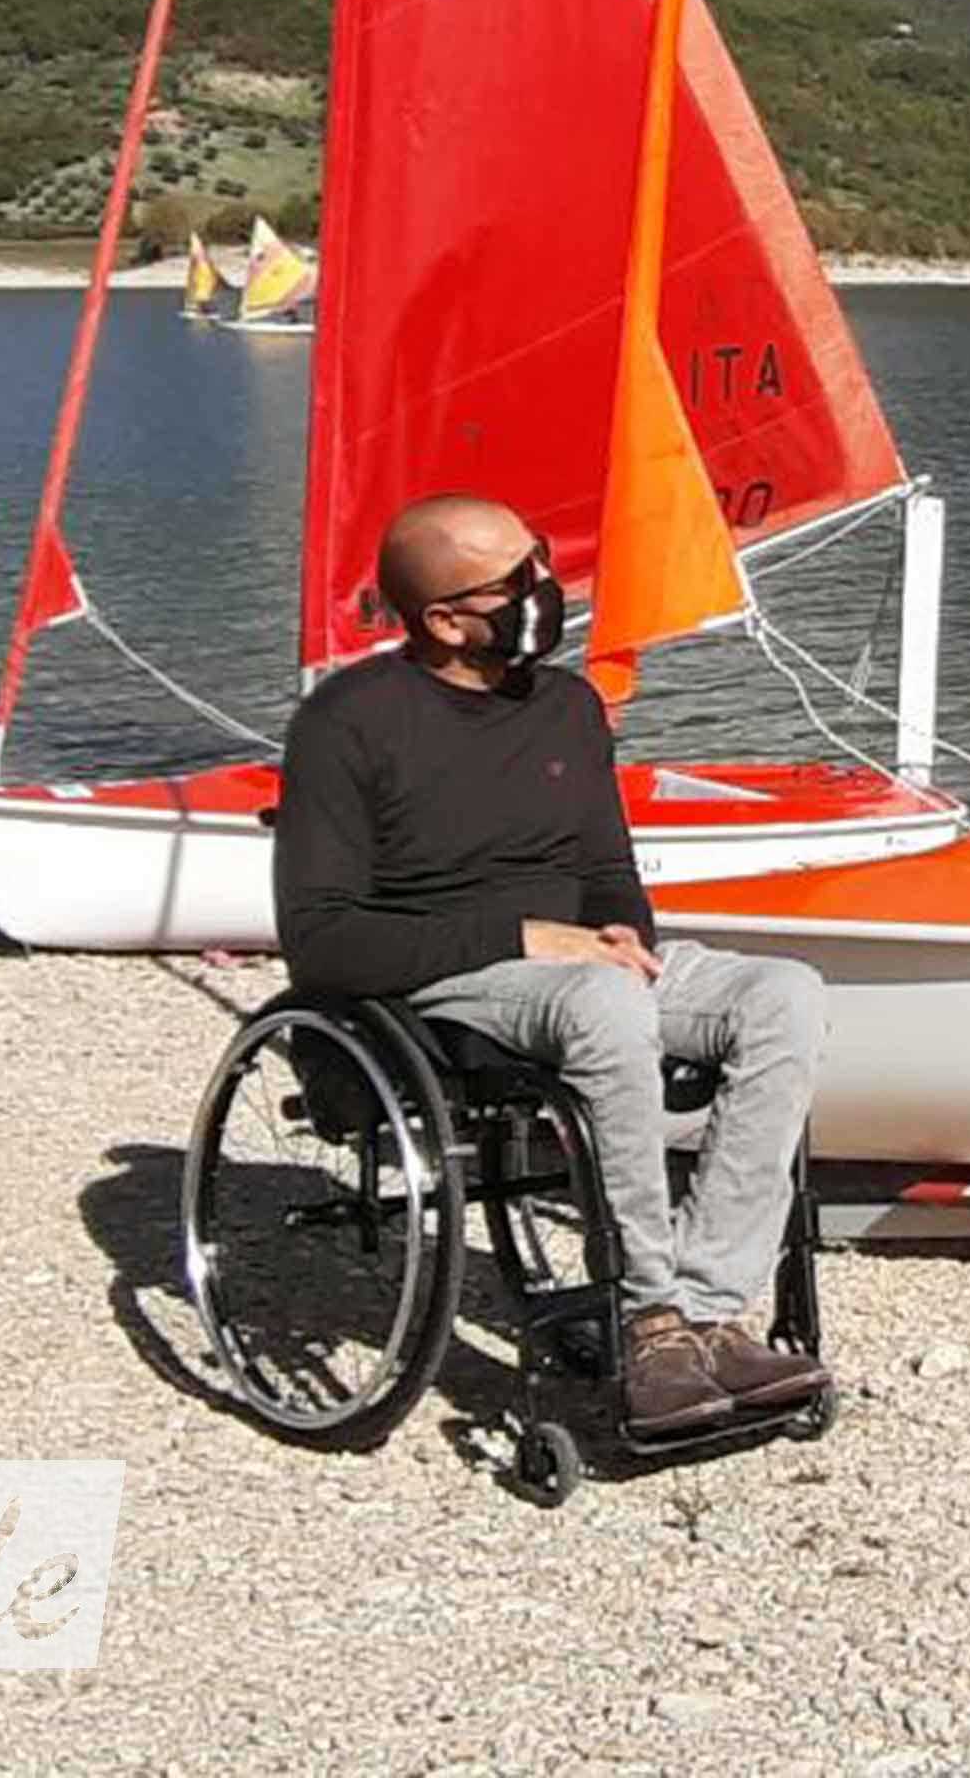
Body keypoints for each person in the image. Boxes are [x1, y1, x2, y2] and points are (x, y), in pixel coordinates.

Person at [274, 494, 831, 1436]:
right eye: (517, 580)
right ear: (446, 621)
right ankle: (648, 1323)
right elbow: (322, 940)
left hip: (581, 967)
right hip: (443, 977)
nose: (546, 587)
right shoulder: (348, 721)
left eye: (537, 561)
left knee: (782, 994)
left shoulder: (567, 708)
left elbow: (608, 870)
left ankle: (706, 1307)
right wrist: (524, 938)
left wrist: (622, 937)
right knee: (601, 1006)